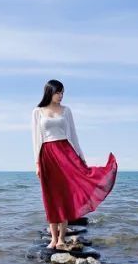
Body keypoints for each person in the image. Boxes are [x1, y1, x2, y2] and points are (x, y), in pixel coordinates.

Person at [32, 79, 118, 250]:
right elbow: (36, 138)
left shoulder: (66, 110)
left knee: (64, 195)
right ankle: (53, 239)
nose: (61, 96)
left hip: (65, 153)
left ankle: (61, 239)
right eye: (58, 92)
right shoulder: (37, 112)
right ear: (50, 92)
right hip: (47, 155)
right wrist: (37, 163)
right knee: (50, 197)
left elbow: (73, 135)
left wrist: (81, 157)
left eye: (63, 92)